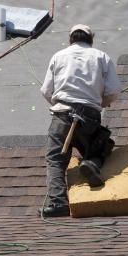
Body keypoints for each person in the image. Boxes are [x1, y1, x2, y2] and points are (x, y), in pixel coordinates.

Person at [39, 24, 121, 217]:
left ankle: (58, 203)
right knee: (100, 148)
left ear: (71, 40)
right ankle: (91, 163)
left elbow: (46, 91)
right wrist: (101, 102)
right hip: (89, 116)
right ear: (90, 39)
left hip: (62, 114)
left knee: (55, 159)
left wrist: (59, 103)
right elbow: (114, 90)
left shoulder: (58, 56)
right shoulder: (101, 56)